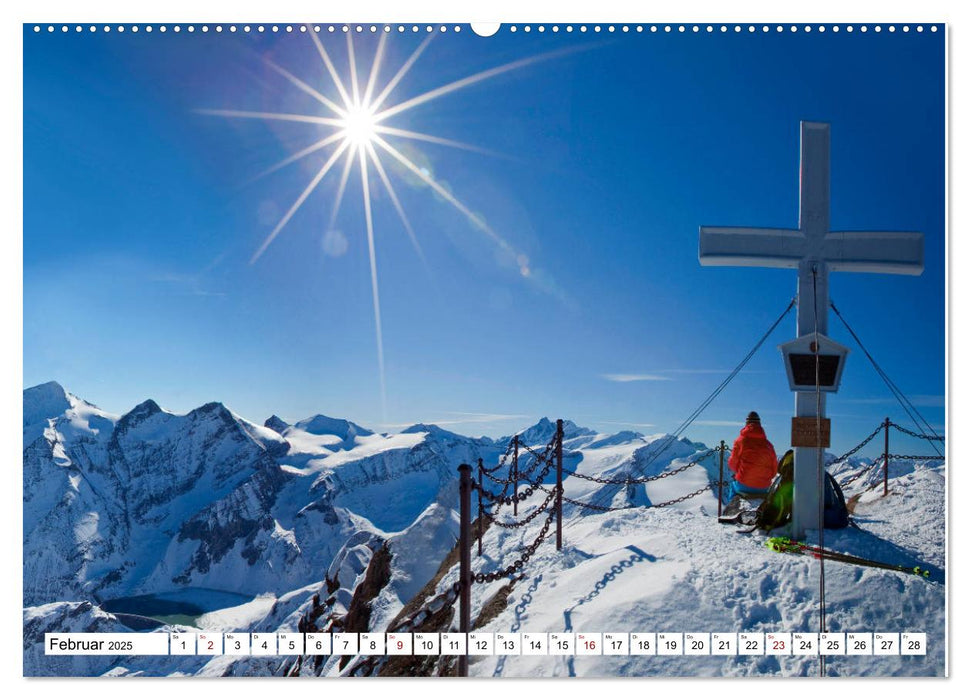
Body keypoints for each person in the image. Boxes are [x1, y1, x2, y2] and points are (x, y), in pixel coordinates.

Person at [727, 411, 778, 501]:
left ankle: (730, 511)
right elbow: (774, 469)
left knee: (732, 487)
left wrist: (740, 473)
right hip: (764, 487)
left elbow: (732, 464)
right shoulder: (768, 445)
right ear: (760, 425)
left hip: (743, 485)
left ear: (746, 424)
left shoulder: (740, 441)